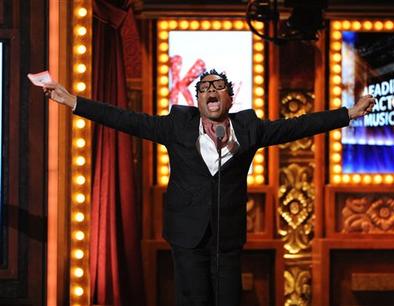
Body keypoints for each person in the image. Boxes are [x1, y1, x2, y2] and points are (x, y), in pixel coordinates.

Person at [42, 69, 375, 306]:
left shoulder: (249, 129)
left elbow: (298, 126)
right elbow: (127, 119)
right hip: (187, 234)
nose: (210, 91)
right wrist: (74, 101)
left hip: (227, 236)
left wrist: (348, 113)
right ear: (197, 99)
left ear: (229, 97)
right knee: (195, 299)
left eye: (218, 87)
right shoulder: (177, 126)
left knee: (228, 300)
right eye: (203, 88)